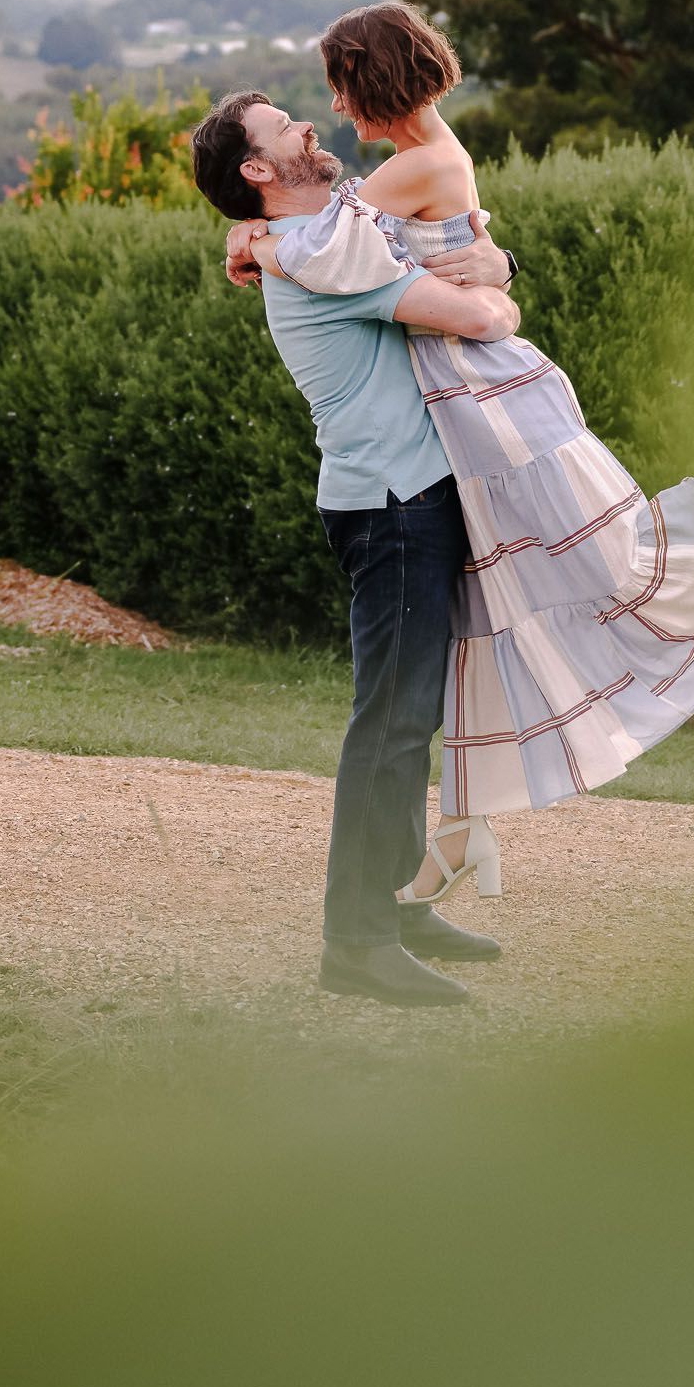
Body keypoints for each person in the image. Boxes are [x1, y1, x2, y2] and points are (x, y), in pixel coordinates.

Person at [220, 3, 694, 919]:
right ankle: (412, 881)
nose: (329, 111)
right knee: (459, 655)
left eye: (339, 89)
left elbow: (344, 249)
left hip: (475, 416)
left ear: (373, 80)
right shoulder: (402, 181)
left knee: (535, 601)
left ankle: (412, 887)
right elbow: (388, 265)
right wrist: (487, 269)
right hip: (426, 452)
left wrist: (253, 239)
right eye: (296, 117)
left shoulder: (406, 175)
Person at [191, 85, 521, 1009]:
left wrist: (493, 261)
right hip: (391, 506)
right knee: (389, 721)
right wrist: (495, 292)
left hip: (407, 497)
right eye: (282, 127)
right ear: (258, 168)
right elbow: (480, 318)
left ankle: (398, 906)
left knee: (409, 718)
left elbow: (448, 246)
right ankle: (356, 942)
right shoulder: (314, 257)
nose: (307, 123)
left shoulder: (320, 237)